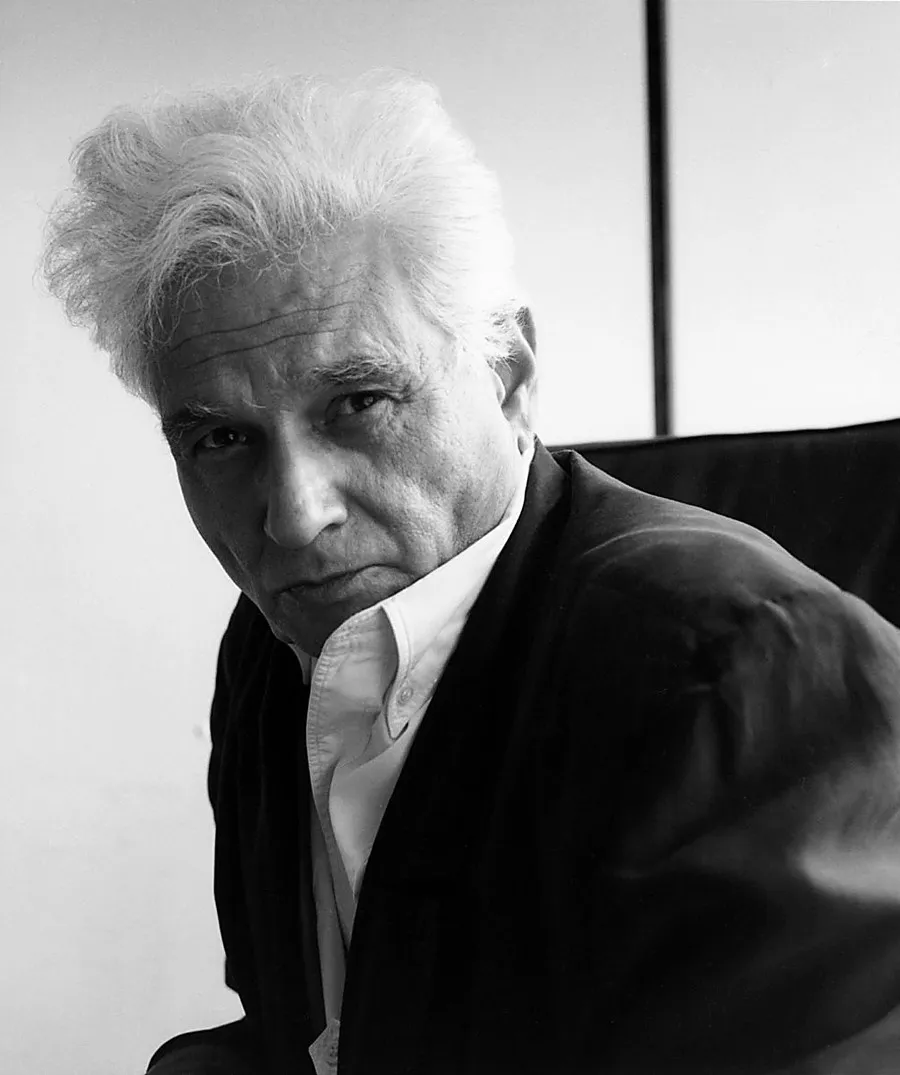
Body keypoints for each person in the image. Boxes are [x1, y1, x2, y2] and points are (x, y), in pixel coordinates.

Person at [43, 72, 900, 1075]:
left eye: (358, 402)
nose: (295, 515)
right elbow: (312, 1029)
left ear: (508, 374)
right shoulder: (277, 647)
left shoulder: (742, 673)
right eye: (222, 438)